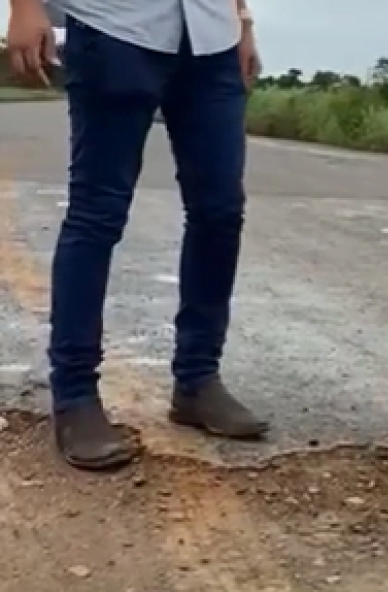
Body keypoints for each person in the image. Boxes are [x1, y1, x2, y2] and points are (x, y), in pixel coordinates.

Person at [6, 0, 268, 470]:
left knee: (220, 210)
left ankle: (197, 379)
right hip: (115, 26)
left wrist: (242, 22)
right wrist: (24, 6)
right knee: (97, 212)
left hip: (211, 37)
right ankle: (75, 397)